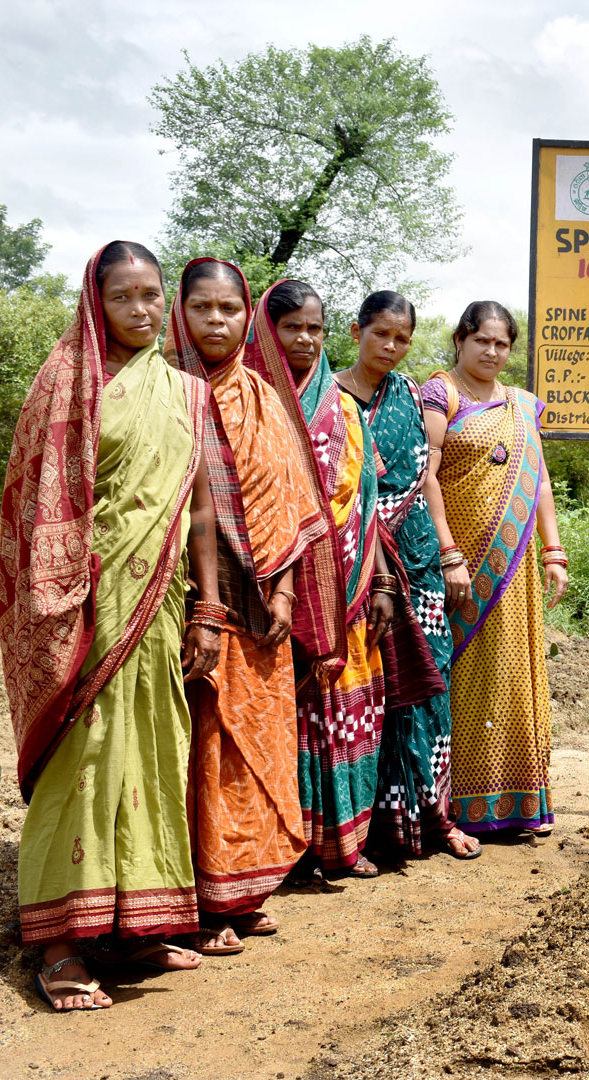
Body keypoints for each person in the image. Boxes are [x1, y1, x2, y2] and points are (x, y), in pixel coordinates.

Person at [0, 241, 220, 1010]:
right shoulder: (67, 381)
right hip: (86, 607)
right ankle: (63, 942)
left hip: (160, 604)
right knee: (88, 756)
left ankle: (141, 921)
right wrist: (69, 596)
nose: (140, 310)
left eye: (151, 295)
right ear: (96, 301)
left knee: (156, 747)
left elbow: (198, 510)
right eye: (122, 296)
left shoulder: (187, 393)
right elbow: (38, 505)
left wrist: (209, 608)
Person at [170, 259, 340, 950]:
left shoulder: (265, 399)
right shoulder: (167, 394)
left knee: (263, 748)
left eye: (230, 309)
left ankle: (249, 889)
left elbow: (296, 500)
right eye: (203, 308)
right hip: (189, 600)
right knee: (205, 746)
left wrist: (287, 589)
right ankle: (205, 896)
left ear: (248, 317)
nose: (217, 321)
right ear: (181, 313)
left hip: (266, 603)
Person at [252, 279, 396, 880]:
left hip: (352, 586)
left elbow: (366, 500)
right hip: (277, 591)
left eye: (315, 328)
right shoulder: (253, 398)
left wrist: (383, 580)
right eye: (293, 328)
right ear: (269, 330)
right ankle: (292, 851)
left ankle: (344, 843)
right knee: (291, 718)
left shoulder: (341, 407)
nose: (306, 339)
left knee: (352, 712)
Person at [334, 291, 480, 860]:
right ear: (356, 331)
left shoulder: (408, 395)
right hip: (353, 562)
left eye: (402, 338)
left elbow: (424, 479)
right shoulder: (326, 395)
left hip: (416, 558)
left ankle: (435, 817)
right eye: (381, 335)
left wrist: (447, 552)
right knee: (367, 690)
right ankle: (365, 829)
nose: (391, 347)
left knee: (428, 688)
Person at [421, 302, 568, 837]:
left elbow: (543, 482)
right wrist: (449, 554)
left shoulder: (524, 405)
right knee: (459, 676)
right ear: (460, 339)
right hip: (457, 567)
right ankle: (454, 806)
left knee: (513, 674)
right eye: (482, 340)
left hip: (515, 567)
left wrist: (554, 553)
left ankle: (519, 803)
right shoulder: (441, 395)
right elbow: (427, 476)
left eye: (502, 344)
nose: (492, 352)